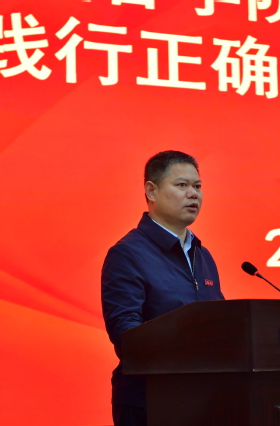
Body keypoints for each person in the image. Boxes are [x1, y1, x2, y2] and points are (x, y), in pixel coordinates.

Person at [101, 151, 224, 426]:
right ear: (151, 191)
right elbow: (125, 331)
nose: (193, 194)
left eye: (197, 186)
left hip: (205, 399)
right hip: (150, 402)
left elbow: (221, 323)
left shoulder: (202, 255)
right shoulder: (128, 254)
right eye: (182, 185)